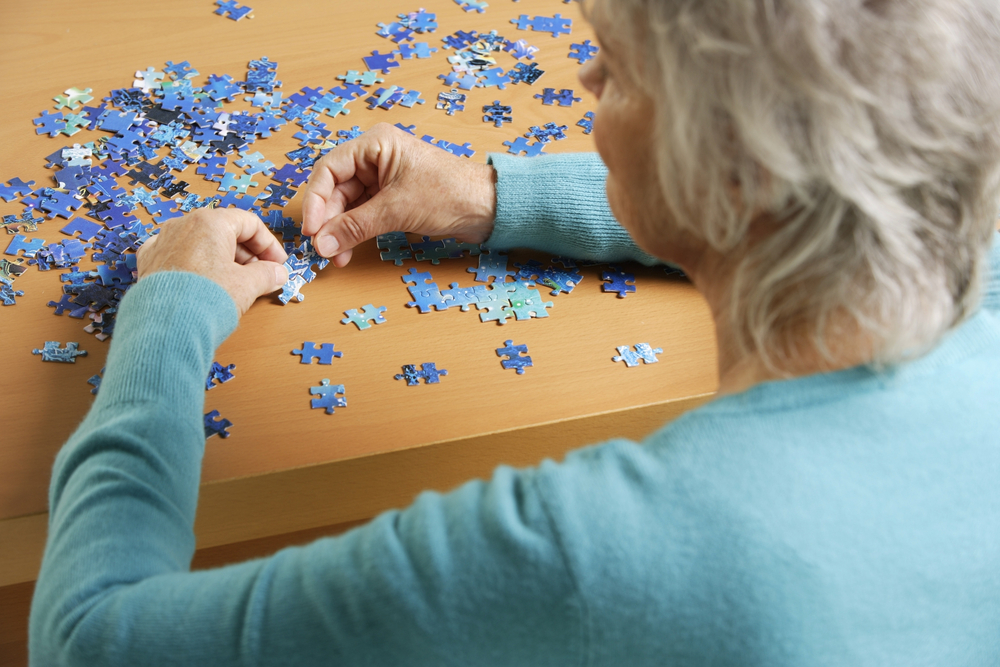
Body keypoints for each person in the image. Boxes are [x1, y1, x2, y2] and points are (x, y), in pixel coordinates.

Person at [29, 0, 1000, 664]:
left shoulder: (592, 546)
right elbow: (829, 203)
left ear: (733, 175)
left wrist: (167, 311)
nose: (582, 74)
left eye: (616, 71)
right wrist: (487, 194)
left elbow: (88, 641)